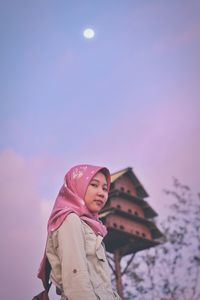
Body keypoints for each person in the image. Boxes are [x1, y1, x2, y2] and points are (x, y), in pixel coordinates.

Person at [33, 164, 121, 300]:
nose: (101, 193)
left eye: (105, 188)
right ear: (77, 186)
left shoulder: (92, 227)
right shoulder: (70, 219)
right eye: (94, 185)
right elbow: (76, 280)